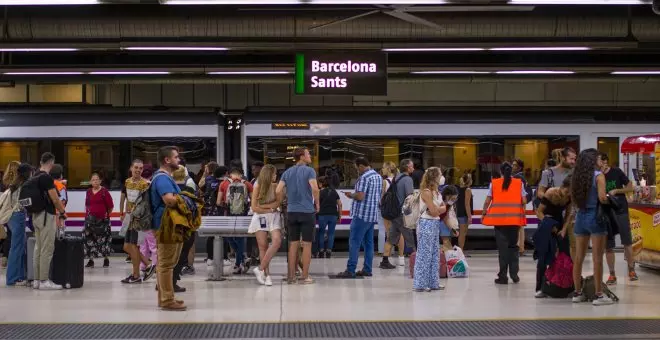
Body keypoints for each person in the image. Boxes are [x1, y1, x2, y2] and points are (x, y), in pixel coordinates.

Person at [570, 149, 613, 306]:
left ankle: (577, 293)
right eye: (598, 159)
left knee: (579, 258)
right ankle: (599, 295)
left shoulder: (576, 177)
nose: (600, 161)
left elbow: (574, 199)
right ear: (593, 160)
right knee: (597, 259)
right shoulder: (599, 176)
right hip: (595, 217)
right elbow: (602, 197)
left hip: (580, 217)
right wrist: (611, 200)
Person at [276, 147, 319, 285]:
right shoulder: (310, 171)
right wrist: (317, 203)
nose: (310, 156)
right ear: (301, 156)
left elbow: (278, 189)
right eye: (308, 154)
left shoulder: (287, 172)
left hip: (292, 211)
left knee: (293, 244)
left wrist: (285, 200)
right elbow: (314, 188)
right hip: (307, 211)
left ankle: (291, 276)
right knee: (307, 245)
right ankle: (305, 276)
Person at [151, 146, 186, 311]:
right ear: (167, 160)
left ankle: (167, 297)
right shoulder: (162, 179)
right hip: (166, 225)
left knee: (167, 263)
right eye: (176, 157)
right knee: (166, 264)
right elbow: (169, 200)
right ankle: (166, 299)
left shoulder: (164, 178)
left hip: (168, 225)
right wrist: (187, 200)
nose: (178, 160)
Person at [26, 152, 67, 290]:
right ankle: (44, 281)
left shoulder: (35, 175)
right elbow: (55, 199)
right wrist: (62, 212)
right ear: (51, 163)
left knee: (38, 248)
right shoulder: (46, 178)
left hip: (35, 216)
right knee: (47, 248)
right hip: (46, 216)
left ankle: (37, 280)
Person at [482, 162, 527, 285]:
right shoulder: (519, 183)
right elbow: (524, 200)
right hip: (514, 221)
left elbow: (487, 201)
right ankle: (514, 275)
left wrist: (484, 213)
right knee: (513, 247)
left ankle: (503, 277)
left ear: (501, 171)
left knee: (503, 250)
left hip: (499, 222)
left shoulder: (494, 183)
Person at [336, 157, 382, 279]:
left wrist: (350, 195)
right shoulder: (377, 176)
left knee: (354, 242)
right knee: (369, 244)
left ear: (361, 166)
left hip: (362, 214)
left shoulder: (364, 177)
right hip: (372, 215)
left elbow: (360, 196)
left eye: (357, 168)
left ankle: (350, 270)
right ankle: (367, 269)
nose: (357, 170)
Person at [598, 152, 637, 284]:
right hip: (605, 212)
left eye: (599, 161)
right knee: (608, 245)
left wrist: (616, 191)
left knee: (627, 241)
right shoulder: (597, 176)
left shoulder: (616, 172)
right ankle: (612, 274)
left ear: (605, 161)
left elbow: (630, 187)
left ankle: (631, 270)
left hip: (620, 209)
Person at [534, 175, 572, 298]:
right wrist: (549, 225)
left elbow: (568, 215)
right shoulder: (551, 193)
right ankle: (541, 287)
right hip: (546, 221)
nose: (567, 195)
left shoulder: (569, 197)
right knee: (543, 256)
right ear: (562, 187)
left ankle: (566, 284)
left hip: (559, 223)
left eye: (570, 193)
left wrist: (564, 229)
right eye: (566, 191)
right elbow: (539, 212)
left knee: (565, 254)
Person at [120, 159, 155, 283]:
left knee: (133, 246)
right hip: (129, 217)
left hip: (139, 220)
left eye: (140, 168)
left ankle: (135, 275)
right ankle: (147, 263)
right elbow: (124, 197)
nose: (138, 170)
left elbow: (148, 204)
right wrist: (122, 212)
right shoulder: (127, 182)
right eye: (136, 167)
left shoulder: (146, 184)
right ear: (131, 168)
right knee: (127, 246)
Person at [413, 167, 447, 292]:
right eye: (440, 174)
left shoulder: (438, 193)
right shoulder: (426, 192)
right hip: (425, 223)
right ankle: (420, 284)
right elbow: (434, 211)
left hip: (434, 223)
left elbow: (442, 208)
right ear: (434, 177)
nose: (442, 177)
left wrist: (438, 210)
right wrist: (439, 209)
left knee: (434, 254)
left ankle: (433, 282)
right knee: (424, 254)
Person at [249, 164, 282, 286]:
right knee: (263, 246)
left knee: (277, 241)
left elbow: (278, 202)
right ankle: (267, 275)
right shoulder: (257, 187)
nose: (276, 176)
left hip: (274, 217)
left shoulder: (276, 186)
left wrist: (263, 206)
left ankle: (260, 268)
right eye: (274, 174)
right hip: (260, 218)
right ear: (269, 175)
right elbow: (254, 207)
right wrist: (269, 209)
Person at [380, 159, 416, 269]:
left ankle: (384, 261)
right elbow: (409, 197)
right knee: (410, 237)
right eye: (412, 166)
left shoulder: (397, 177)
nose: (413, 168)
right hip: (402, 214)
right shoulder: (408, 179)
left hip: (394, 213)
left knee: (391, 238)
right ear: (407, 167)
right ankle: (418, 260)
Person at [218, 167, 254, 274]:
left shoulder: (223, 184)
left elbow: (218, 202)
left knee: (228, 236)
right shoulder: (247, 184)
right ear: (241, 174)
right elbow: (253, 201)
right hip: (243, 215)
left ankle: (240, 260)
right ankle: (240, 262)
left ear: (230, 174)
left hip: (229, 215)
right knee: (240, 238)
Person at [5, 163, 31, 286]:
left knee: (20, 246)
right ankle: (11, 278)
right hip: (18, 216)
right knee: (16, 248)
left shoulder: (14, 185)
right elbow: (23, 202)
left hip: (11, 218)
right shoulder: (24, 186)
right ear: (27, 173)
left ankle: (20, 275)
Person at [171, 165, 197, 292]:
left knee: (169, 257)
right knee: (181, 256)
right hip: (187, 228)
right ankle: (173, 281)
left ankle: (164, 281)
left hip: (171, 227)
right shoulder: (189, 190)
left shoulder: (169, 190)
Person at [84, 173, 114, 268]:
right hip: (90, 220)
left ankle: (106, 259)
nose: (95, 181)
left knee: (104, 240)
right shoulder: (88, 191)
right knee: (89, 239)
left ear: (100, 181)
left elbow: (110, 206)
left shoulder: (105, 191)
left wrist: (105, 215)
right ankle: (91, 260)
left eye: (97, 179)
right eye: (93, 180)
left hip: (103, 221)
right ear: (90, 182)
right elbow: (87, 205)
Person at [379, 161, 404, 265]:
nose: (382, 170)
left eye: (384, 168)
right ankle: (401, 257)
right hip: (399, 210)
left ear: (388, 169)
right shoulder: (400, 180)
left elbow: (382, 197)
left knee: (389, 232)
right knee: (400, 233)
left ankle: (387, 255)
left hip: (389, 210)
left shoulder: (385, 181)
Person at [316, 176, 341, 259]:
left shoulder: (320, 192)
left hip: (322, 215)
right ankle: (329, 252)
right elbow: (340, 204)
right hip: (333, 215)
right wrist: (339, 216)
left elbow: (316, 204)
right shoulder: (334, 192)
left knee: (321, 233)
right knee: (331, 234)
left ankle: (321, 251)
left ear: (322, 184)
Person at [1, 161, 19, 269]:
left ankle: (5, 258)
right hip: (13, 212)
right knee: (14, 237)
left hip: (5, 212)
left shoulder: (4, 182)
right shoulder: (17, 183)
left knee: (9, 236)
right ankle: (11, 260)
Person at [513, 159, 531, 256]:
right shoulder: (522, 177)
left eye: (515, 165)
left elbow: (519, 193)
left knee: (518, 227)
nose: (513, 167)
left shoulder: (517, 177)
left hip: (518, 204)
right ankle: (521, 247)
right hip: (521, 204)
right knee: (520, 226)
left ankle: (520, 248)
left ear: (519, 167)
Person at [457, 172, 473, 253]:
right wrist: (470, 216)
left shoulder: (459, 189)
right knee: (463, 234)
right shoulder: (468, 190)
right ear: (469, 181)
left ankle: (461, 250)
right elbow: (467, 204)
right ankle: (461, 251)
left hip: (459, 213)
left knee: (461, 233)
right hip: (464, 214)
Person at [439, 185, 459, 251]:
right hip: (434, 222)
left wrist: (453, 229)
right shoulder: (438, 201)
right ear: (447, 195)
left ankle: (448, 258)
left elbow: (446, 218)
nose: (453, 201)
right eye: (453, 199)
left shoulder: (449, 204)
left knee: (447, 243)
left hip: (442, 221)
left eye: (455, 199)